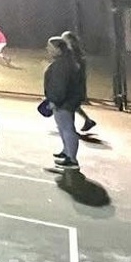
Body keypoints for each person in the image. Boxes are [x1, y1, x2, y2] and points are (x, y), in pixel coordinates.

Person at [44, 35, 82, 170]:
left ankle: (72, 159)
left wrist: (55, 100)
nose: (48, 50)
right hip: (66, 101)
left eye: (50, 47)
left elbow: (60, 86)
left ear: (58, 49)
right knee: (64, 128)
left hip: (63, 102)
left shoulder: (62, 65)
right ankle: (67, 152)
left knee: (67, 129)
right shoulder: (65, 62)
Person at [60, 30, 96, 133]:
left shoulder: (73, 52)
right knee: (72, 105)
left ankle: (71, 126)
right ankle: (86, 121)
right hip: (75, 82)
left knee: (69, 104)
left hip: (74, 83)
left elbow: (76, 68)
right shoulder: (74, 51)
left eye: (64, 39)